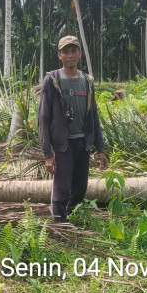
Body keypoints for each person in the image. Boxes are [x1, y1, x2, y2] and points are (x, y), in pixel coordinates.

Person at [38, 35, 108, 222]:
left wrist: (100, 149)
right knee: (61, 189)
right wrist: (47, 154)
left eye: (73, 51)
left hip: (82, 142)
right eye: (66, 51)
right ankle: (59, 224)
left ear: (80, 53)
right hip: (63, 145)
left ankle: (69, 217)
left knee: (79, 188)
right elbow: (43, 118)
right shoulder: (52, 80)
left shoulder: (87, 81)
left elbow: (93, 115)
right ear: (59, 55)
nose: (70, 55)